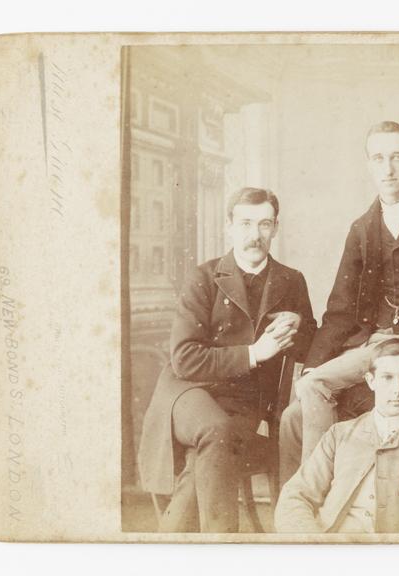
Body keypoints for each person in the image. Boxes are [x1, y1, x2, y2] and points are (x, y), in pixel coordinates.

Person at [278, 121, 399, 486]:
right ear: (369, 165)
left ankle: (314, 490)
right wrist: (314, 366)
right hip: (376, 345)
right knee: (303, 399)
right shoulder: (362, 228)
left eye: (397, 157)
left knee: (311, 392)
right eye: (378, 159)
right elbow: (340, 309)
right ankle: (312, 493)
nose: (387, 169)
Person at [137, 187, 316, 532]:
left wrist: (299, 326)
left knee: (209, 454)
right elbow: (185, 359)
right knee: (216, 432)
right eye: (245, 223)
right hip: (187, 392)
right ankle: (225, 550)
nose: (254, 235)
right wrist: (255, 353)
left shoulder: (291, 281)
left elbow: (308, 342)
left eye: (264, 224)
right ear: (229, 227)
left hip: (244, 402)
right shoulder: (203, 277)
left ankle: (174, 547)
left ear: (275, 228)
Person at [275, 338, 399, 533]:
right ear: (371, 381)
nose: (397, 389)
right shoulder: (339, 435)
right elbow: (295, 496)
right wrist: (313, 545)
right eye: (387, 377)